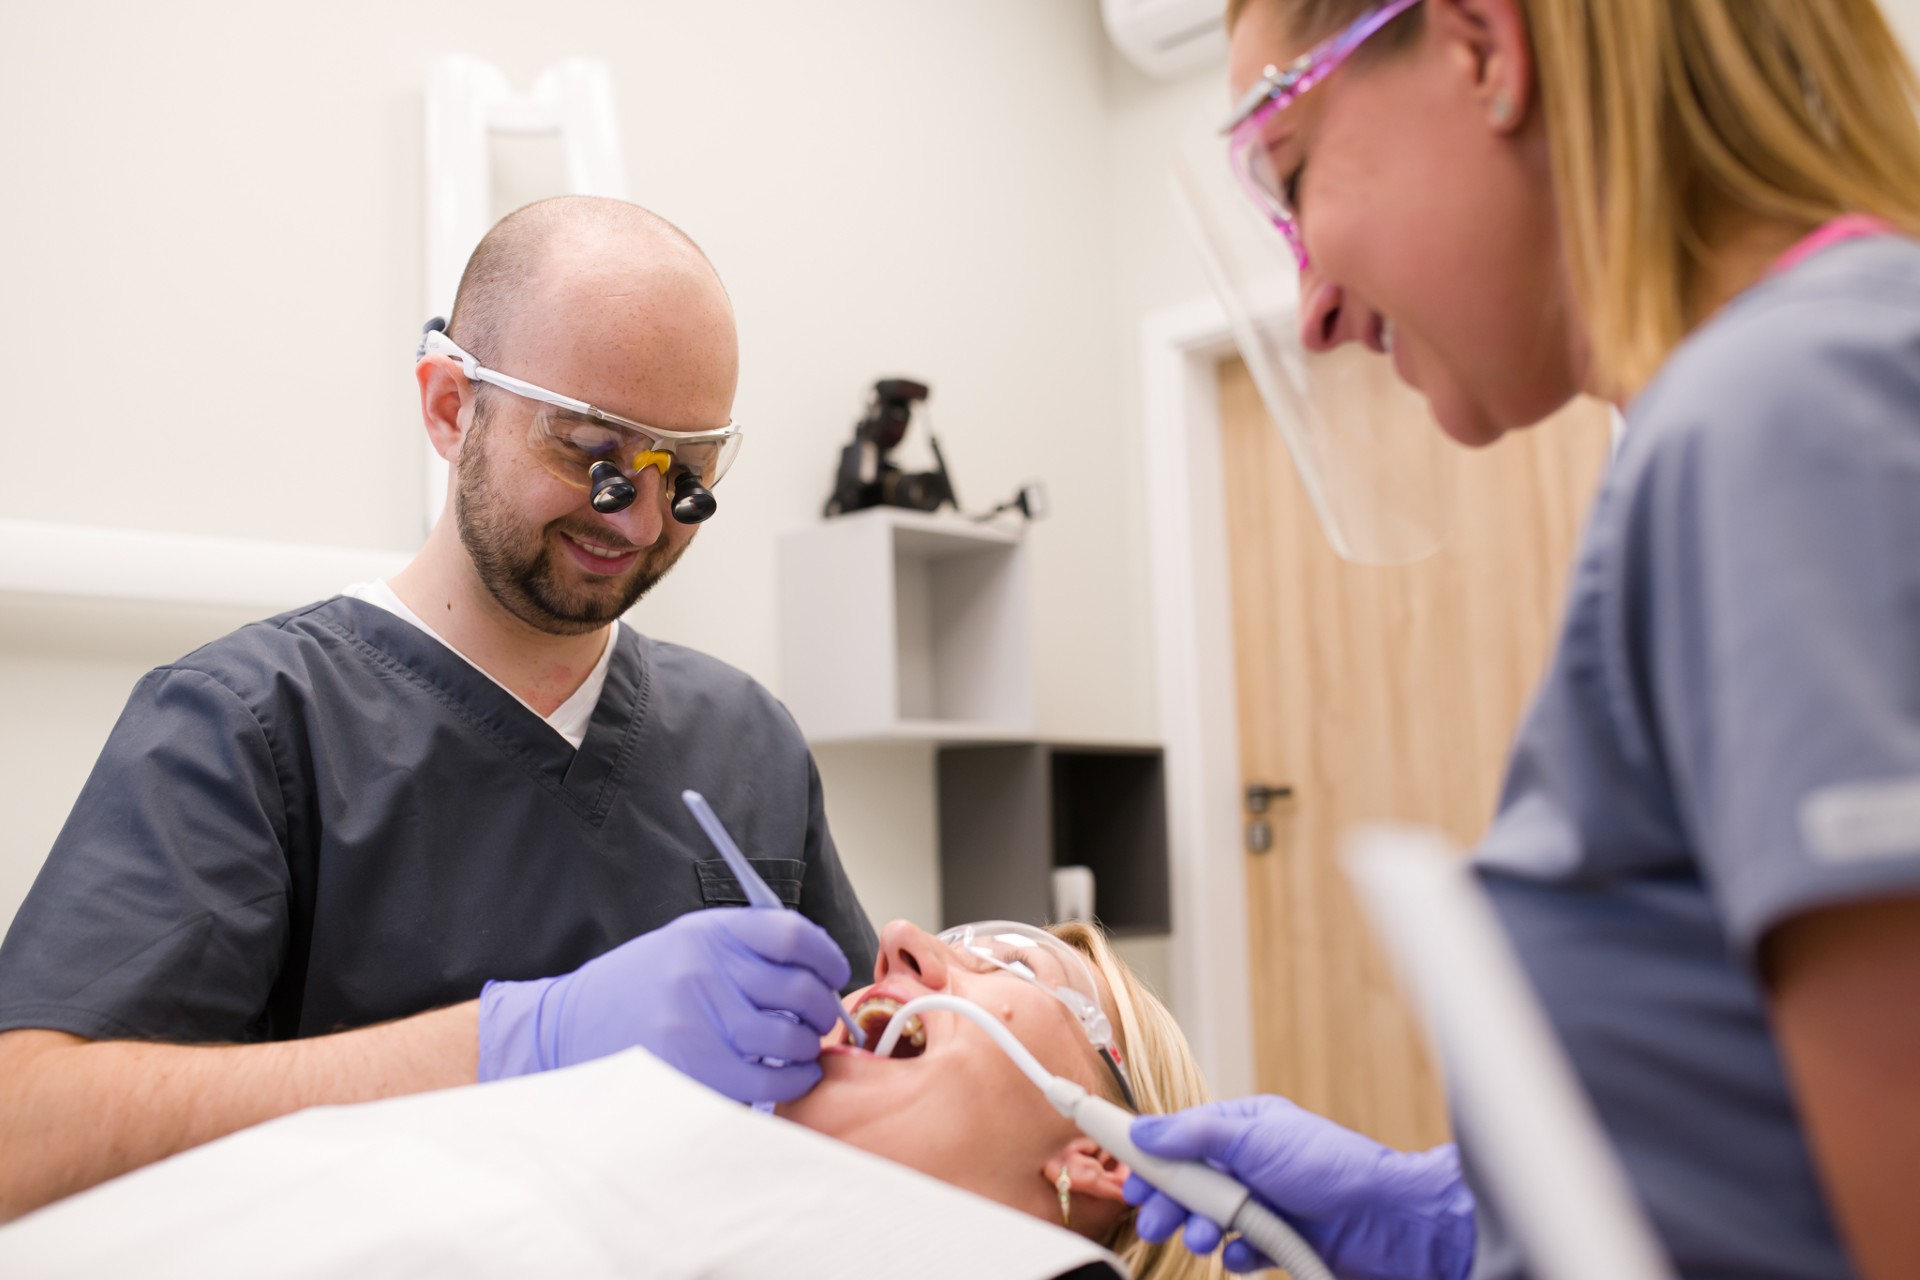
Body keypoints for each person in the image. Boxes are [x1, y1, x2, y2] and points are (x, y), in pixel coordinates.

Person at [1126, 1, 1920, 1277]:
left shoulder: (1786, 410)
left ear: (1482, 46)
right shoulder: (1793, 391)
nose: (1311, 307)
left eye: (1292, 176)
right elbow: (1765, 1157)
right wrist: (1455, 1219)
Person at [0, 195, 877, 1221]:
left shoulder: (747, 741)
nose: (640, 521)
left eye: (685, 476)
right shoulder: (253, 725)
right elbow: (26, 1134)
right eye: (592, 455)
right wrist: (519, 1044)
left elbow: (869, 1075)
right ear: (452, 407)